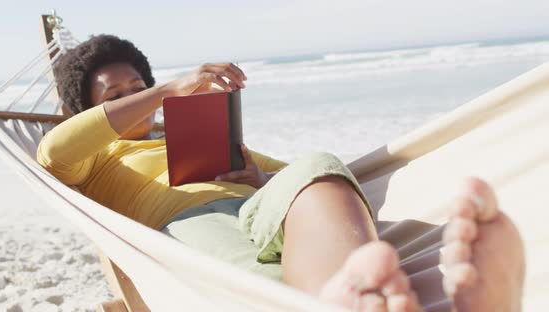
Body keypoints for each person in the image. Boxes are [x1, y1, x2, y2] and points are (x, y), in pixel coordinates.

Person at [38, 34, 525, 311]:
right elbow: (55, 150)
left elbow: (295, 175)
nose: (133, 100)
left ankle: (351, 292)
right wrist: (165, 89)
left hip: (259, 206)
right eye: (115, 97)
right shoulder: (94, 158)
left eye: (136, 85)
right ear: (86, 111)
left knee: (319, 169)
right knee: (252, 284)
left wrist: (258, 178)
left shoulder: (185, 130)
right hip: (189, 224)